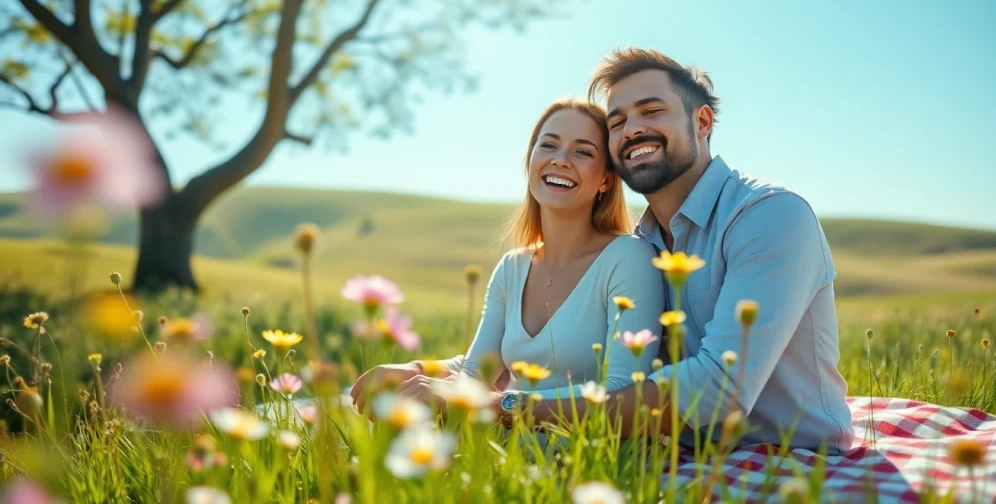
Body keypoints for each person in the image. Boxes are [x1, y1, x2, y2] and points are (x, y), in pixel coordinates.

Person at [354, 48, 854, 455]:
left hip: (789, 457)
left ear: (703, 121)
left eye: (651, 110)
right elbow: (491, 363)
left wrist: (500, 407)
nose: (632, 128)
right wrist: (422, 373)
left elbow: (717, 389)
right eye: (617, 121)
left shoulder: (769, 217)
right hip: (684, 451)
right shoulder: (645, 240)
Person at [352, 98, 667, 405]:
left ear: (606, 181)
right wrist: (413, 371)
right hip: (507, 452)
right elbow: (476, 375)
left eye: (583, 151)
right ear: (530, 161)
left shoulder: (629, 258)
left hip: (588, 454)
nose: (560, 159)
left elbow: (624, 392)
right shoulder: (512, 268)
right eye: (548, 145)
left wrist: (503, 404)